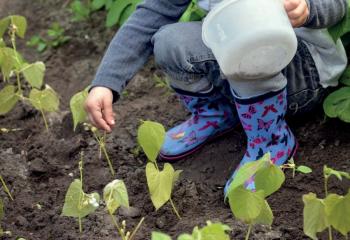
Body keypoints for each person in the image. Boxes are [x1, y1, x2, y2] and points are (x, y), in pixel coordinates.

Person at [84, 0, 347, 195]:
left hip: (303, 74)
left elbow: (337, 4)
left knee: (248, 39)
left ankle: (271, 140)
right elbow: (150, 15)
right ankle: (217, 113)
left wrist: (308, 9)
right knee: (168, 41)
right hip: (242, 66)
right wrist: (106, 83)